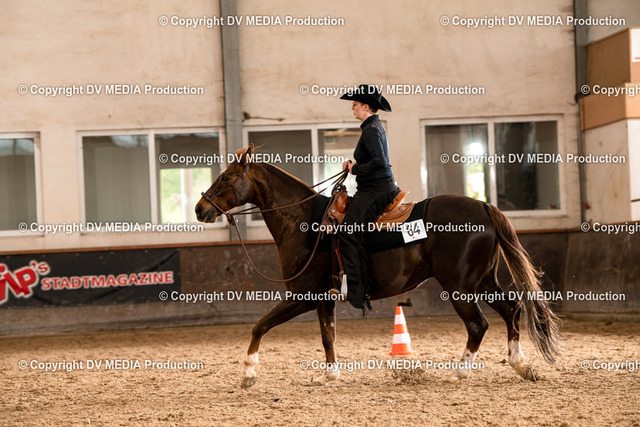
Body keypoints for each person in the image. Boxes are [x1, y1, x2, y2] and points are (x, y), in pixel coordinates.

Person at [331, 84, 400, 310]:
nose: (352, 109)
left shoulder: (370, 129)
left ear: (366, 107)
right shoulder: (373, 126)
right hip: (377, 187)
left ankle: (356, 291)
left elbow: (380, 162)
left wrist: (356, 169)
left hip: (376, 190)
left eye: (355, 105)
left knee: (348, 231)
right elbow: (375, 159)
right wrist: (354, 165)